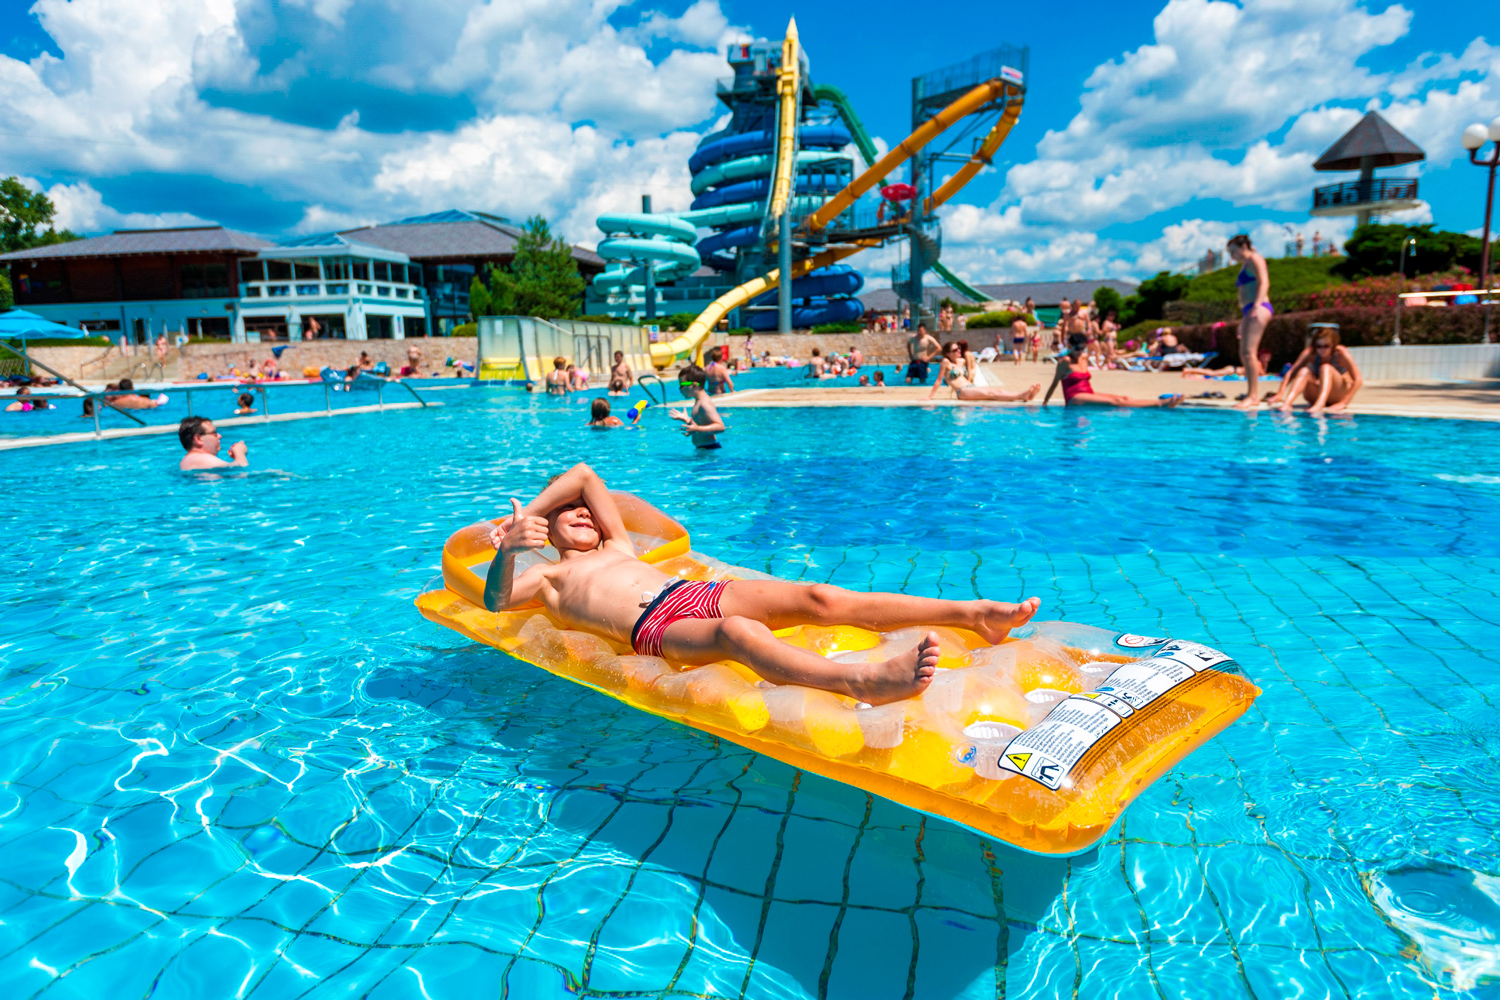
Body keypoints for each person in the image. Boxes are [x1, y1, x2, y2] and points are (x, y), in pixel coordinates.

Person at [482, 463, 1041, 705]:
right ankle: (863, 682)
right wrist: (510, 546)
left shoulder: (618, 545)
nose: (582, 511)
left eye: (583, 508)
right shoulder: (548, 576)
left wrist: (525, 512)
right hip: (653, 628)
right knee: (737, 634)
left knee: (821, 597)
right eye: (567, 511)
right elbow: (496, 601)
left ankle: (972, 615)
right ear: (547, 527)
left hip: (689, 592)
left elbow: (584, 475)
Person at [1044, 334, 1182, 409]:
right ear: (1070, 346)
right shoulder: (1065, 361)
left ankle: (1160, 404)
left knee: (1125, 398)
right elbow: (1054, 383)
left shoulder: (1084, 357)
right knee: (1116, 402)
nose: (1079, 351)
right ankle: (1160, 404)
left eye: (1082, 348)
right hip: (1075, 397)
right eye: (1077, 348)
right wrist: (1045, 403)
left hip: (1088, 393)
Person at [1271, 328, 1363, 415]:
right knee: (1304, 370)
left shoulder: (1341, 353)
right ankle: (1287, 403)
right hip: (1315, 394)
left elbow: (1358, 380)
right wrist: (1280, 393)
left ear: (1333, 345)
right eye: (1319, 346)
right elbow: (1292, 372)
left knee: (1325, 368)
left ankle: (1320, 404)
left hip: (1336, 395)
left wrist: (1343, 403)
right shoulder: (1311, 353)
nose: (1322, 350)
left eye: (1326, 346)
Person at [1227, 234, 1272, 410]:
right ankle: (1251, 393)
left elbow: (1264, 282)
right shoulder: (1246, 263)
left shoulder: (1255, 258)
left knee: (1249, 352)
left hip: (1258, 307)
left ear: (1243, 247)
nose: (1232, 256)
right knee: (1245, 353)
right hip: (1250, 309)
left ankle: (1253, 396)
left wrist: (1256, 305)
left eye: (1233, 251)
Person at [929, 342, 1039, 402]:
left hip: (970, 387)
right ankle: (1021, 395)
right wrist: (930, 397)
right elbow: (939, 380)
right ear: (948, 354)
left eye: (958, 348)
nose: (958, 350)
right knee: (992, 394)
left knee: (997, 390)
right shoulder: (946, 362)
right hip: (962, 391)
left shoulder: (961, 361)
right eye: (955, 350)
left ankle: (1025, 396)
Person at [669, 364, 725, 449]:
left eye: (682, 385)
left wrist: (697, 429)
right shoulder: (699, 401)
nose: (680, 389)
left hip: (709, 449)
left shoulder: (704, 403)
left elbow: (720, 427)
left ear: (694, 385)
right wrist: (686, 419)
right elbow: (699, 424)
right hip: (704, 448)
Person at [178, 416, 248, 470]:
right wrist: (239, 452)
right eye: (214, 433)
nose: (219, 436)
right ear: (198, 439)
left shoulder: (187, 461)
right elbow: (241, 470)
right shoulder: (204, 459)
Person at [1182, 349, 1272, 379]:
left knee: (1212, 372)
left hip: (1233, 370)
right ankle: (1188, 370)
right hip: (1232, 370)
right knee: (1212, 373)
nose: (1266, 359)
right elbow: (1262, 374)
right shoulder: (1257, 363)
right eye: (1265, 357)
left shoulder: (1258, 363)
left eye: (1268, 357)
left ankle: (1190, 370)